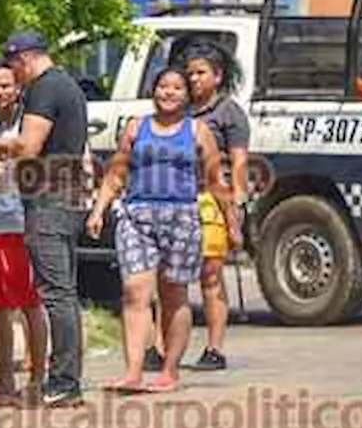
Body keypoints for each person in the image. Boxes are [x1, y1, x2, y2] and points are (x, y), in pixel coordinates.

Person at [86, 66, 240, 393]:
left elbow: (216, 180)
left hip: (181, 216)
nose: (168, 93)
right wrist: (99, 209)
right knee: (134, 292)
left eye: (176, 88)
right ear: (153, 91)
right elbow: (116, 173)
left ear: (187, 95)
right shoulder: (135, 128)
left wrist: (231, 223)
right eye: (162, 87)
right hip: (137, 215)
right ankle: (133, 371)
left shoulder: (198, 131)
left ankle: (169, 370)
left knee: (173, 295)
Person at [0, 30, 90, 408]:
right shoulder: (67, 85)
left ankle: (63, 381)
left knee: (55, 292)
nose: (14, 75)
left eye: (13, 65)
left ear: (24, 59)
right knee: (64, 291)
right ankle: (66, 378)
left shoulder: (44, 89)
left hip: (49, 200)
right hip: (65, 196)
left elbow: (29, 146)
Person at [0, 58, 49, 406]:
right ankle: (4, 381)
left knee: (30, 303)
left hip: (22, 220)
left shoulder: (29, 122)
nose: (0, 91)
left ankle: (37, 379)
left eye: (6, 85)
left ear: (18, 86)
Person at [183, 38, 250, 370]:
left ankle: (215, 348)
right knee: (171, 277)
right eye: (190, 73)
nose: (194, 79)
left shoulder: (229, 112)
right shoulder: (178, 109)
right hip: (178, 197)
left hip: (213, 199)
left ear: (218, 76)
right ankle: (162, 346)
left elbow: (239, 162)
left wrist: (236, 205)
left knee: (210, 275)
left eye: (201, 73)